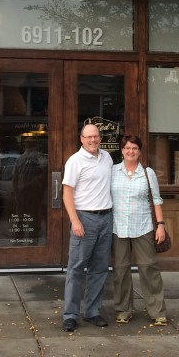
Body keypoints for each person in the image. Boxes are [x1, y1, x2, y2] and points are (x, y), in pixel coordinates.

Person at [61, 123, 113, 333]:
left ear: (100, 138)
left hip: (106, 217)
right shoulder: (75, 161)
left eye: (96, 136)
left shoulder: (107, 158)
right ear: (81, 139)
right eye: (88, 137)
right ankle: (71, 315)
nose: (93, 140)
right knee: (76, 268)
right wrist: (75, 221)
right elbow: (67, 193)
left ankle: (92, 311)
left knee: (99, 268)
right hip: (85, 218)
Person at [111, 134, 167, 327]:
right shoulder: (112, 171)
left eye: (134, 148)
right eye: (127, 148)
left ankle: (157, 311)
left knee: (149, 268)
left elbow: (156, 200)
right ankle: (123, 310)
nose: (131, 151)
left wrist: (160, 225)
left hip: (143, 227)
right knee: (120, 270)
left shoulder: (147, 173)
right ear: (122, 150)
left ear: (140, 152)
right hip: (118, 228)